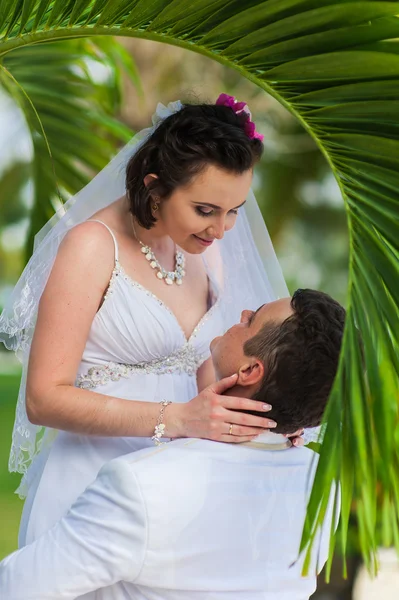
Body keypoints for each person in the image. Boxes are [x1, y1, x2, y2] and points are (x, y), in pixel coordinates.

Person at [0, 95, 301, 547]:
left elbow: (207, 375)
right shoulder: (92, 248)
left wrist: (268, 419)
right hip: (90, 484)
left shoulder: (207, 252)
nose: (221, 230)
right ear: (155, 188)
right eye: (205, 210)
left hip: (179, 489)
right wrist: (178, 419)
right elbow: (43, 400)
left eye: (234, 210)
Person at [0, 289, 346, 600]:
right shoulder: (323, 484)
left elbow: (18, 588)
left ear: (250, 371)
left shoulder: (142, 486)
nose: (241, 314)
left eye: (252, 318)